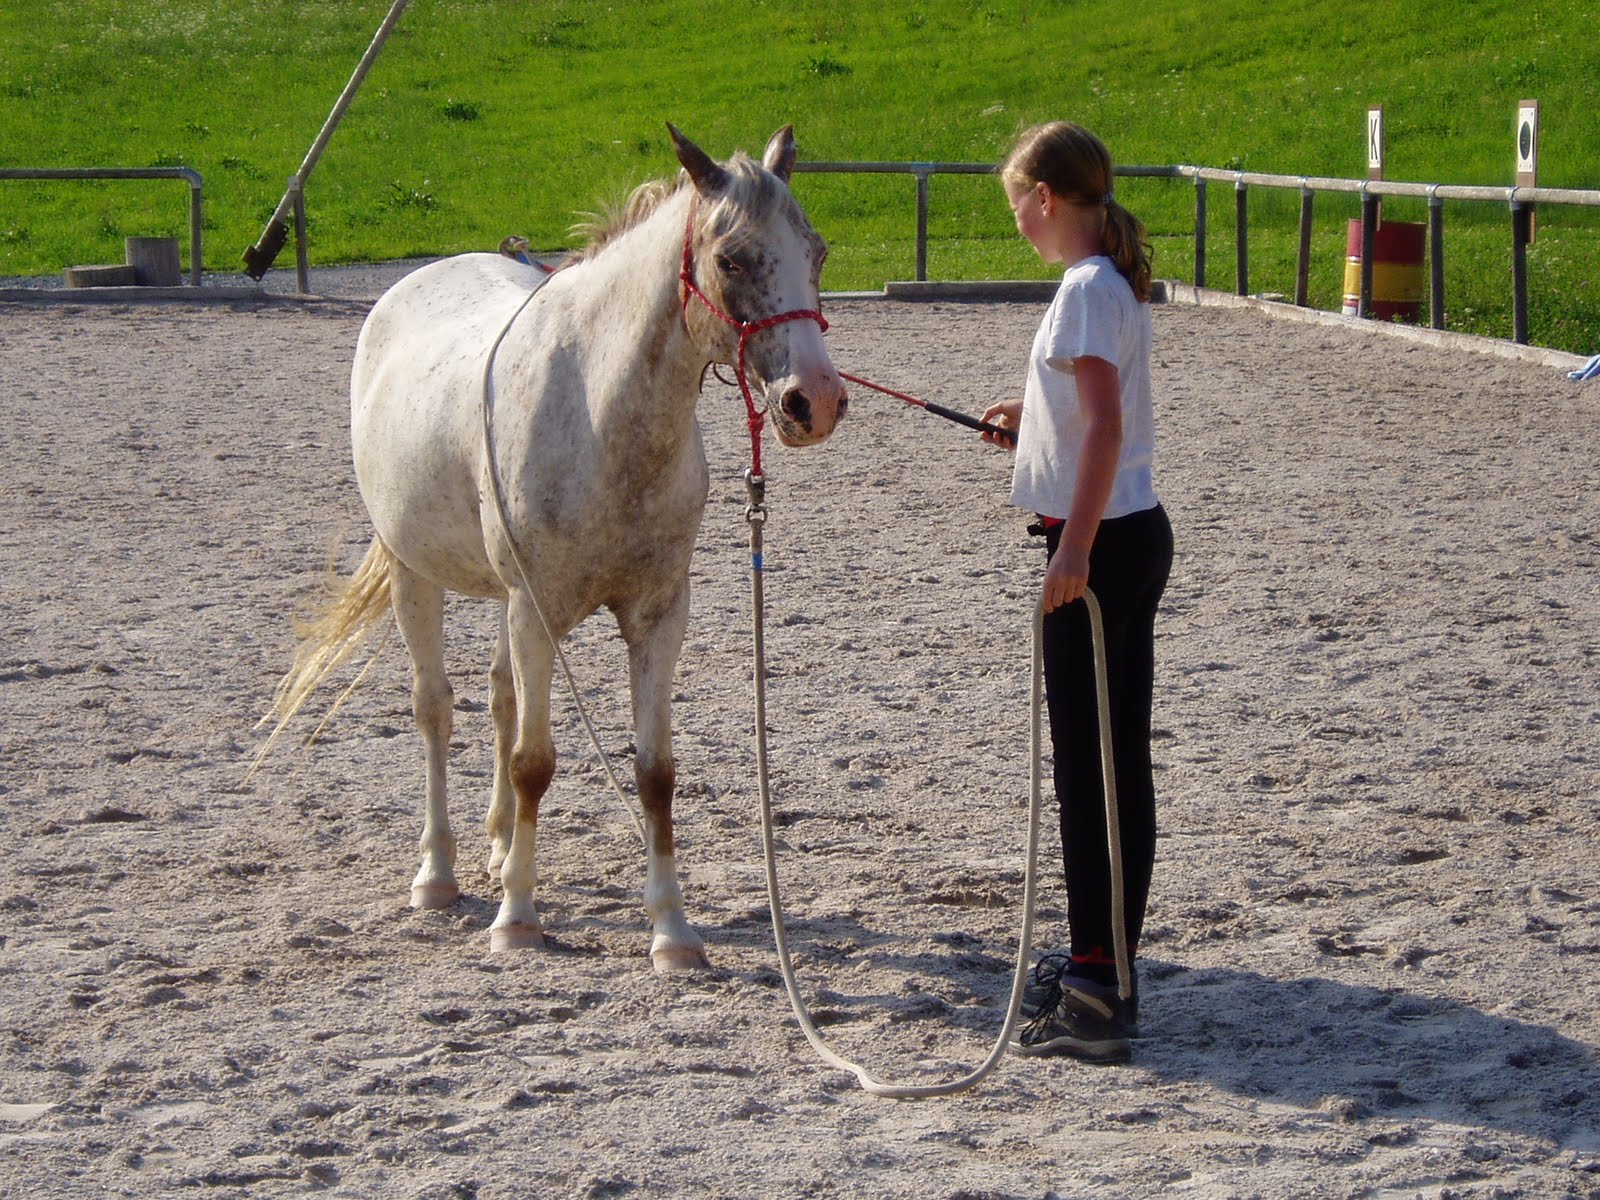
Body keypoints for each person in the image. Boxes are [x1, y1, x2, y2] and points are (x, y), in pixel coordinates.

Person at [980, 121, 1174, 1063]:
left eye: (1017, 202)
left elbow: (1104, 430)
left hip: (1102, 548)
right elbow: (1090, 417)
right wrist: (1032, 423)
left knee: (1090, 773)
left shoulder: (1085, 290)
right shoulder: (1106, 284)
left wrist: (1075, 551)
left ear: (1046, 197)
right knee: (1112, 761)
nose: (1017, 220)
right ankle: (1107, 964)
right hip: (1128, 537)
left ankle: (1099, 985)